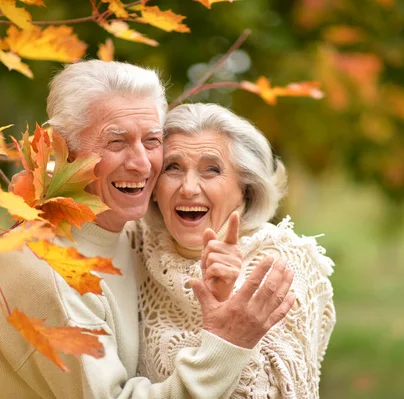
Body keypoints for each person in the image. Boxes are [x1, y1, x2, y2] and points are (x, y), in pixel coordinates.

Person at [0, 60, 296, 398]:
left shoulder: (133, 232)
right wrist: (227, 344)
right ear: (62, 148)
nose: (141, 163)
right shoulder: (46, 270)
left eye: (153, 140)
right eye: (116, 142)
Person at [135, 103, 336, 398]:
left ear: (246, 188)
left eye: (211, 170)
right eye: (173, 168)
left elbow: (278, 392)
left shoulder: (281, 263)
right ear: (154, 187)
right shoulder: (136, 247)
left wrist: (226, 308)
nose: (189, 188)